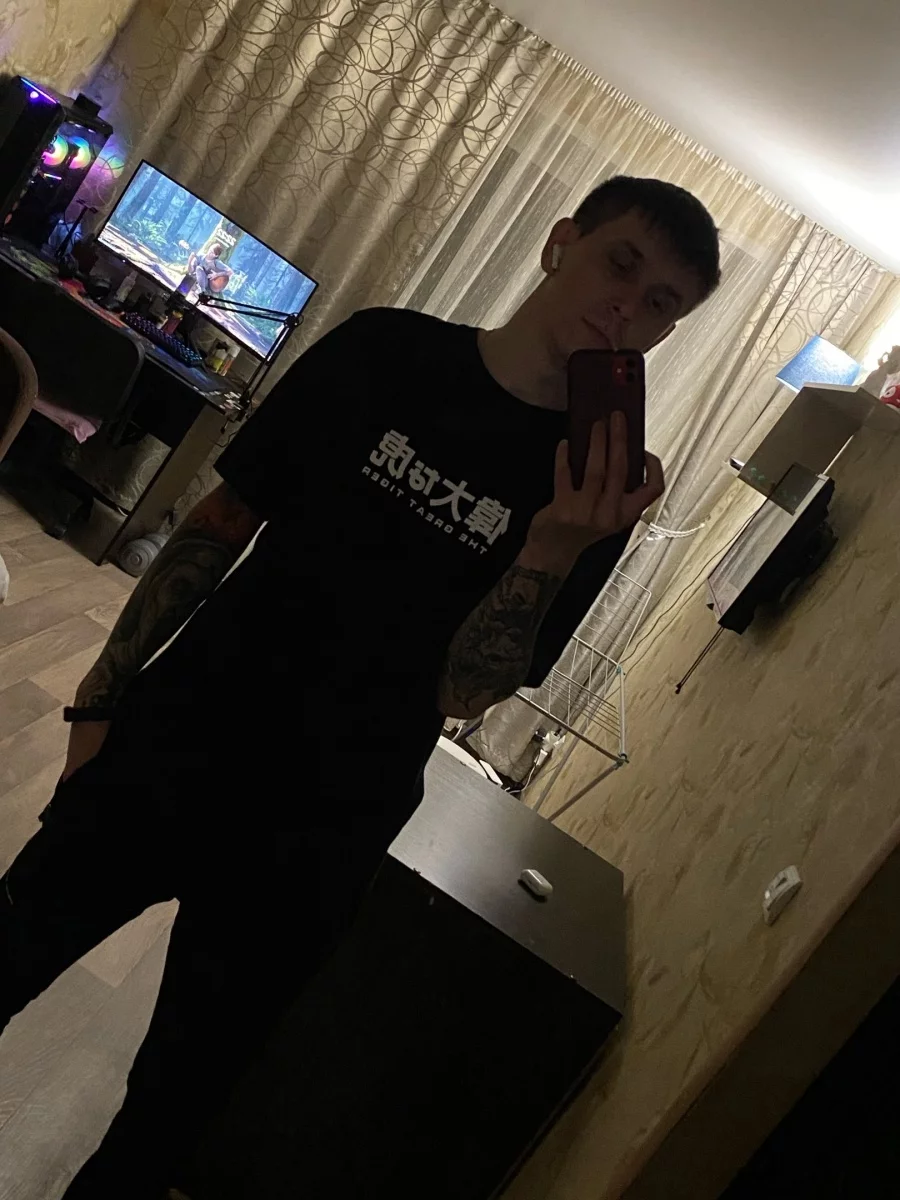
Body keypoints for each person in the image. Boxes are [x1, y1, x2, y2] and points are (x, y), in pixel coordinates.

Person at [0, 176, 720, 1198]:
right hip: (184, 738)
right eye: (621, 263)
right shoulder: (384, 350)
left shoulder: (600, 492)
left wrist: (552, 549)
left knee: (170, 1111)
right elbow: (219, 525)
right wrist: (99, 697)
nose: (627, 307)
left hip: (327, 829)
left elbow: (466, 694)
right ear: (562, 243)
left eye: (660, 303)